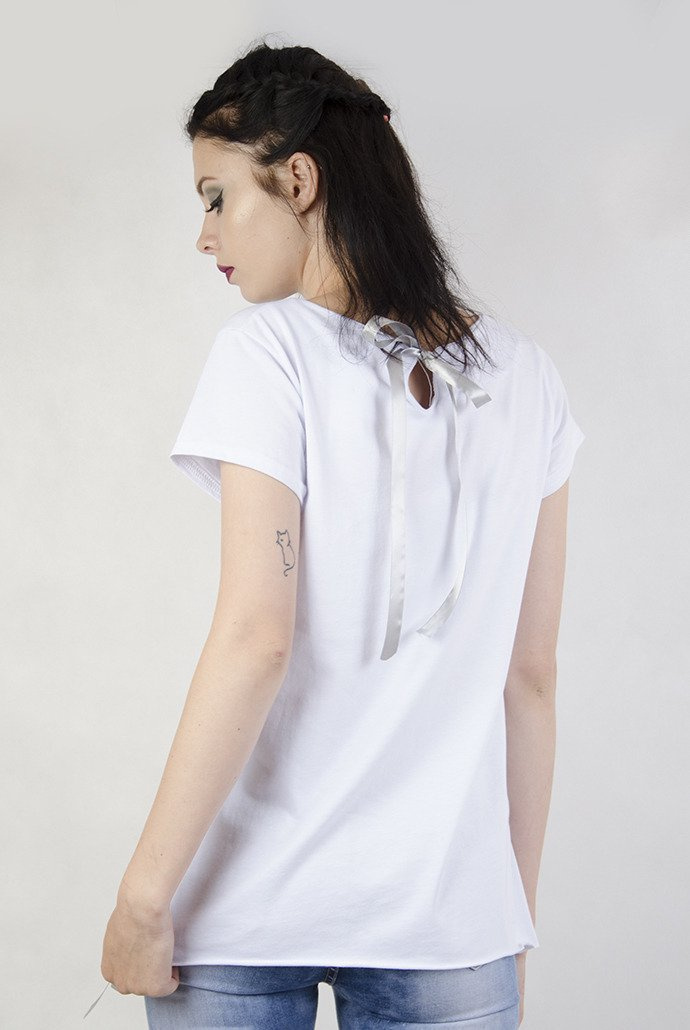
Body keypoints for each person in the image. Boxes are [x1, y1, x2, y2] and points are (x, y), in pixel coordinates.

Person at [97, 37, 585, 1030]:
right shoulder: (527, 378)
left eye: (216, 197)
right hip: (451, 924)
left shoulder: (268, 354)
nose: (205, 235)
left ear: (299, 179)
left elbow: (256, 639)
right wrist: (509, 924)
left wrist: (142, 898)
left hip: (243, 915)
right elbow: (531, 678)